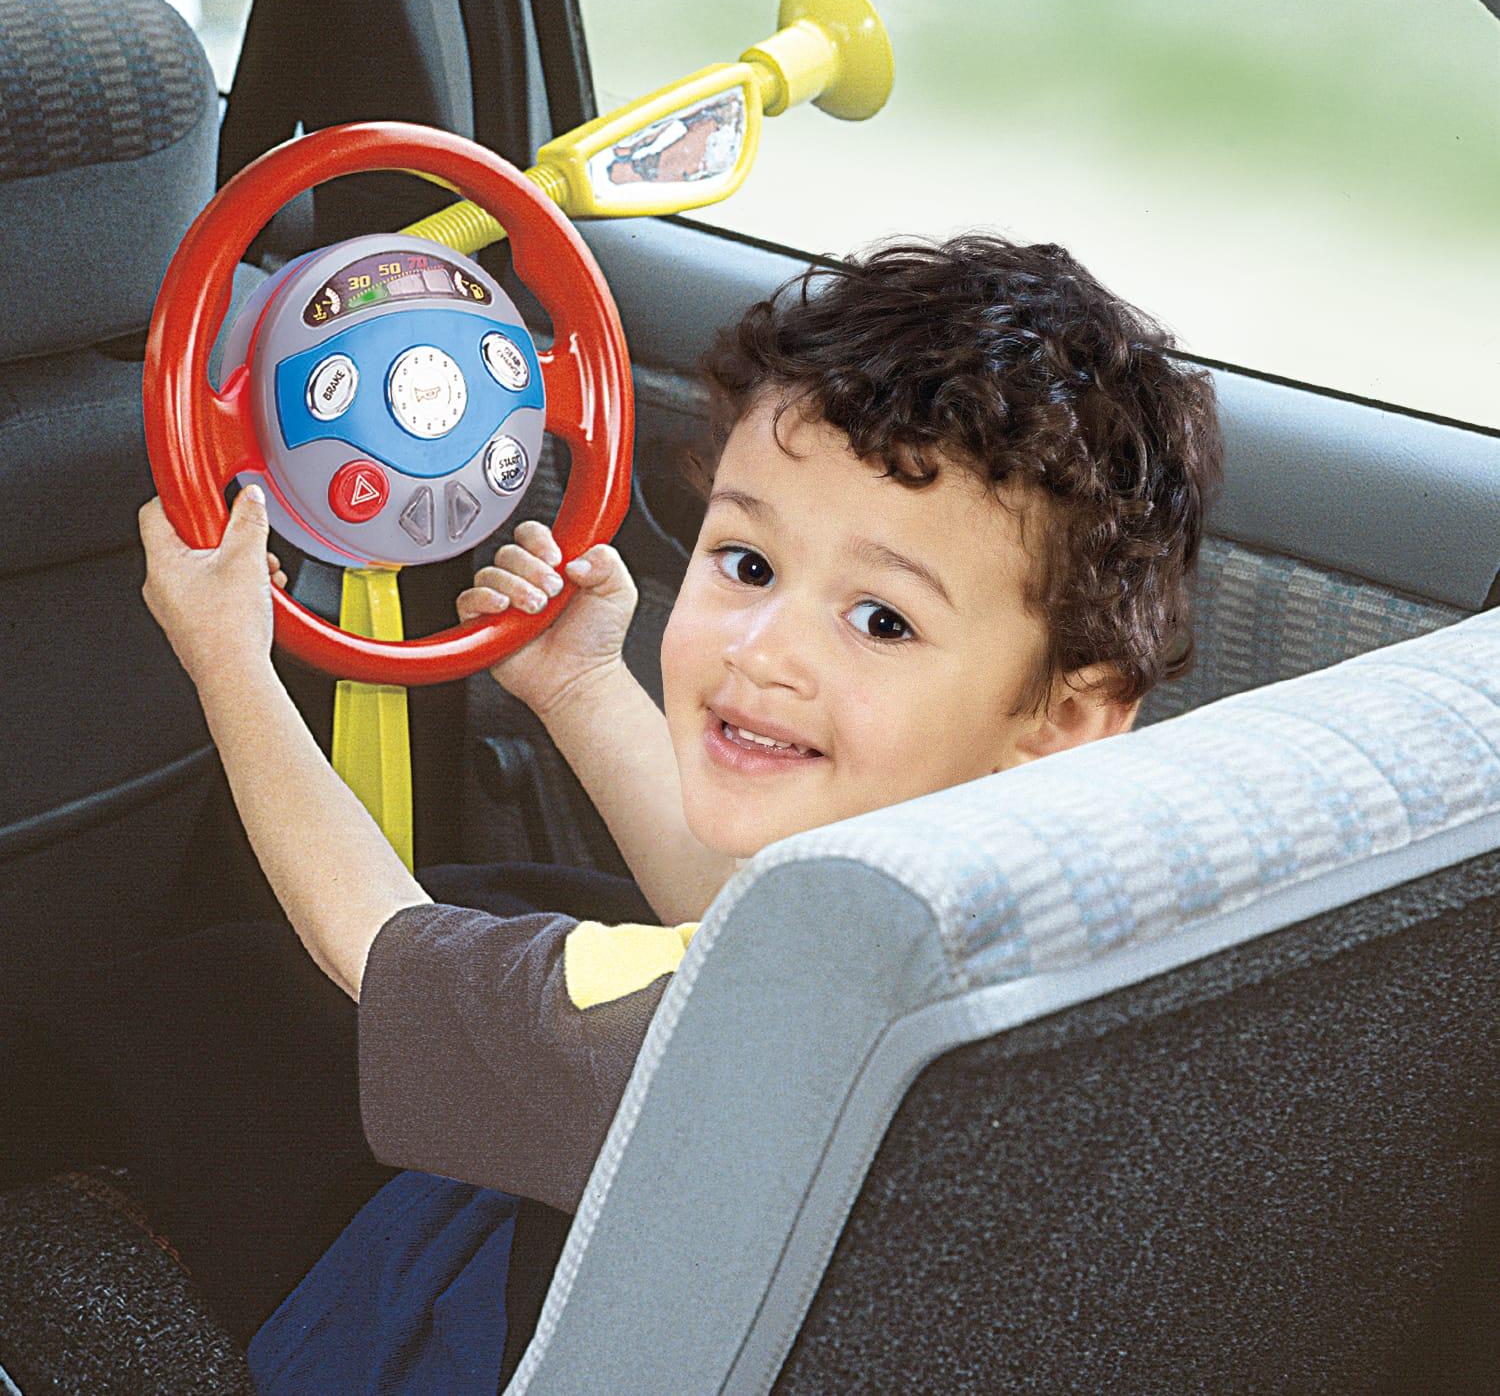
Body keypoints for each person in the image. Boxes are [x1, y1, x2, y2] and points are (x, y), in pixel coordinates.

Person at [4, 232, 1223, 1390]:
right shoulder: (1043, 932)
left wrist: (228, 657)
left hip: (456, 1338)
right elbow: (746, 908)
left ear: (1063, 716)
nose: (760, 653)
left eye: (881, 619)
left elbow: (371, 943)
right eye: (746, 563)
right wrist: (581, 684)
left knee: (219, 1008)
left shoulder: (696, 1041)